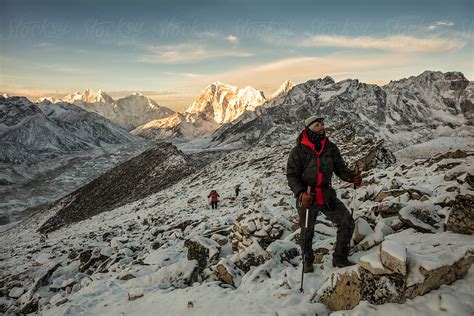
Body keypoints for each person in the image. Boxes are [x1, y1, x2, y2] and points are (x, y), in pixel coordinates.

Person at [286, 116, 362, 272]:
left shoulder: (330, 147)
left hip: (326, 193)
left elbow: (339, 168)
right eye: (317, 125)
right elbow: (292, 175)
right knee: (307, 230)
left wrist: (351, 177)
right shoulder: (299, 150)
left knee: (346, 222)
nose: (322, 127)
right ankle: (307, 261)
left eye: (322, 124)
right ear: (309, 129)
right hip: (307, 196)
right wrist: (300, 194)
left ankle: (340, 258)